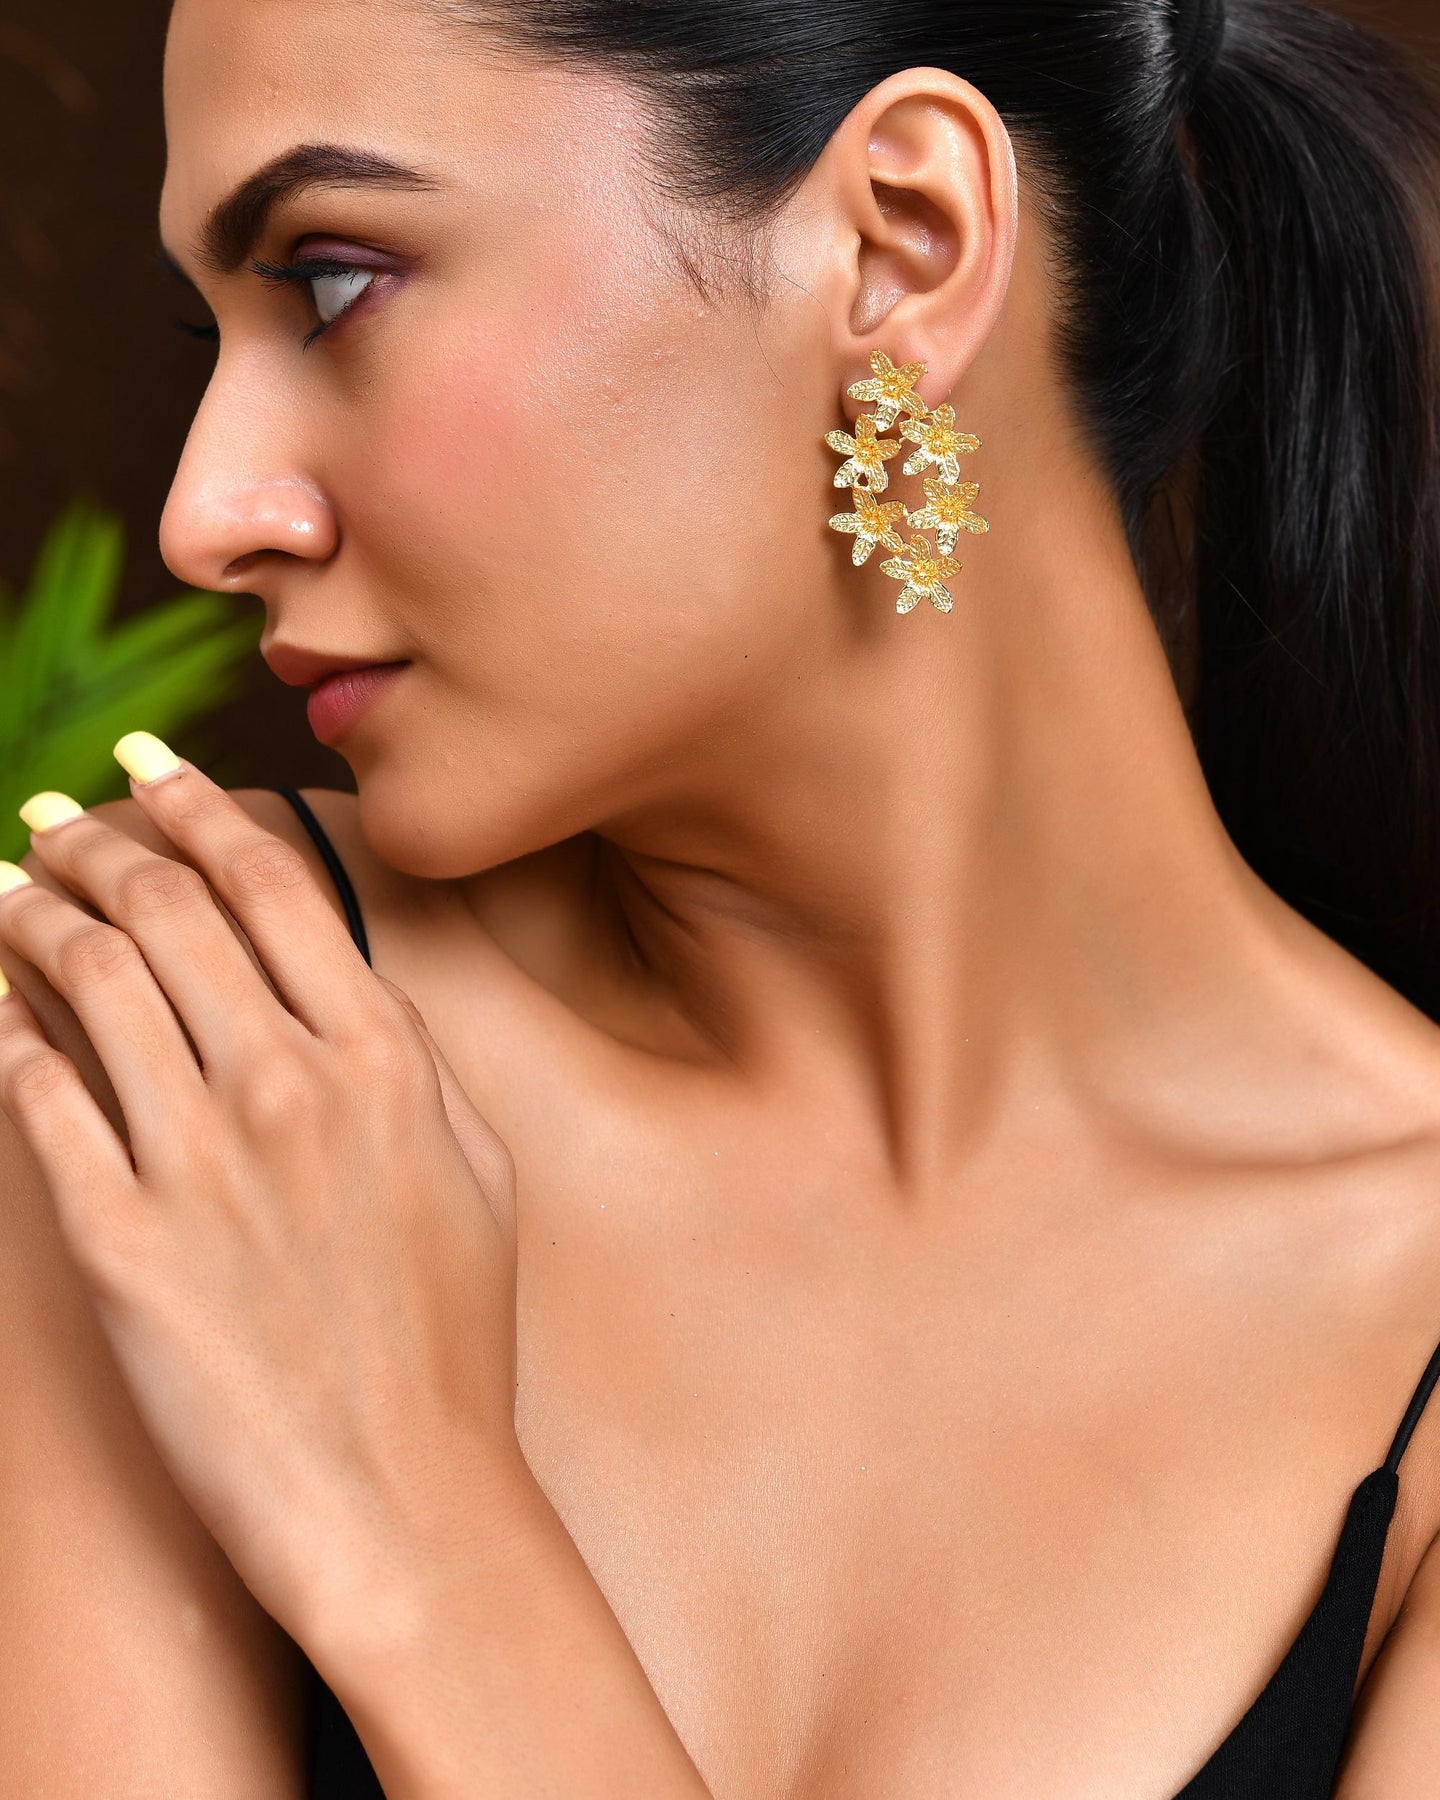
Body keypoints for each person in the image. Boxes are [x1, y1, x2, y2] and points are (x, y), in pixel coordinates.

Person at [3, 0, 1440, 1792]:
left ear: (902, 244)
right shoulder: (209, 1043)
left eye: (333, 280)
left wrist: (419, 1535)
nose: (207, 514)